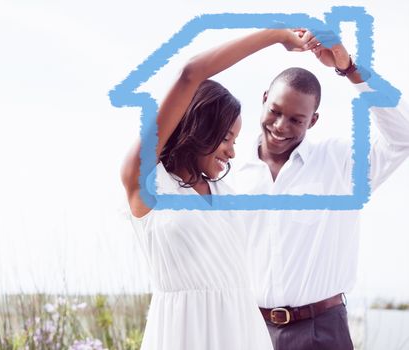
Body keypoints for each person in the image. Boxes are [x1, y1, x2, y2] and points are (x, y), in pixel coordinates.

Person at [120, 29, 310, 349]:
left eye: (235, 140)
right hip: (182, 335)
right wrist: (277, 34)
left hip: (241, 331)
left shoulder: (224, 191)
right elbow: (191, 73)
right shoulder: (149, 184)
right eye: (225, 139)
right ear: (197, 128)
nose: (232, 152)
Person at [225, 30, 409, 349]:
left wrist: (349, 68)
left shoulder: (340, 164)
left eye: (297, 119)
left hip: (321, 332)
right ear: (264, 98)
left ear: (313, 121)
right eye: (276, 111)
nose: (281, 126)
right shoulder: (228, 172)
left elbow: (403, 136)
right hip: (248, 331)